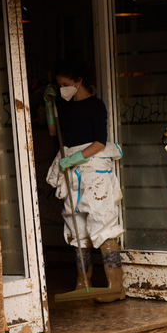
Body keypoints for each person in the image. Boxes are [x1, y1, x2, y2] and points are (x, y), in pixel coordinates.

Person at [45, 60, 125, 303]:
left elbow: (100, 142)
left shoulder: (96, 106)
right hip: (72, 169)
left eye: (65, 85)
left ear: (78, 82)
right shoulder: (65, 106)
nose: (62, 90)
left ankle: (115, 285)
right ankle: (83, 282)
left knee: (102, 222)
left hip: (94, 166)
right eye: (58, 86)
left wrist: (78, 157)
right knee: (76, 226)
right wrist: (50, 105)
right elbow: (52, 132)